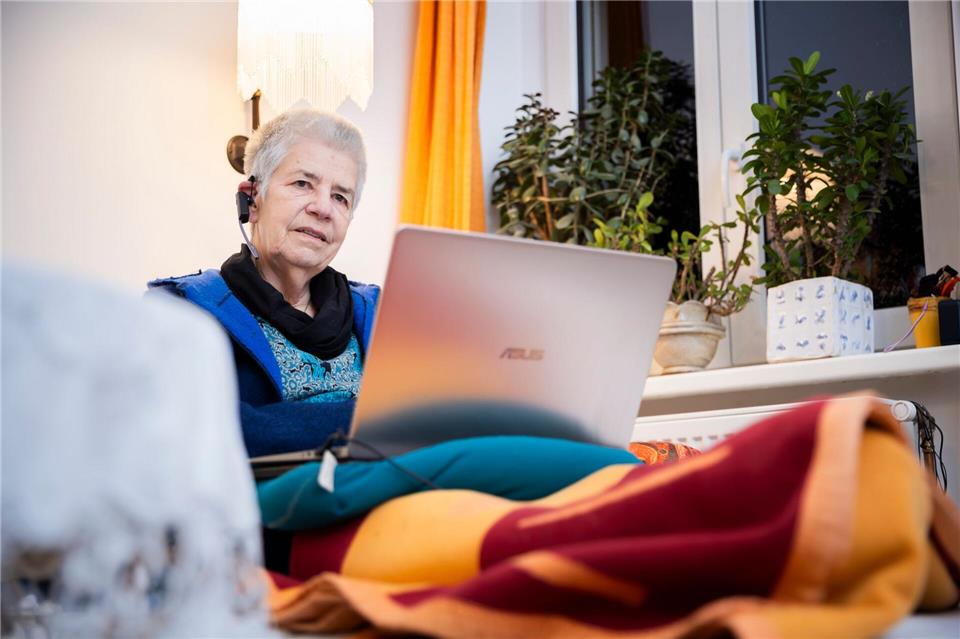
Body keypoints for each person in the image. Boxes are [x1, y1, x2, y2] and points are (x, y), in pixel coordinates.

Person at [149, 109, 379, 457]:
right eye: (303, 183)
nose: (323, 208)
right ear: (252, 199)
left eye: (340, 197)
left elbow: (435, 410)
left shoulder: (381, 310)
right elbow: (212, 430)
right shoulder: (184, 309)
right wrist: (376, 419)